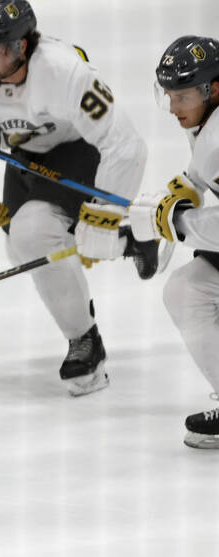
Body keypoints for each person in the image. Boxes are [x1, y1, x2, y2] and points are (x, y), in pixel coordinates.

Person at [0, 0, 146, 395]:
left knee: (34, 234)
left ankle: (86, 343)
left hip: (80, 150)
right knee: (22, 250)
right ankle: (134, 240)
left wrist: (102, 212)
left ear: (22, 46)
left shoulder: (63, 71)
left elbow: (126, 147)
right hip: (23, 157)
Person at [128, 36, 219, 449]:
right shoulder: (208, 120)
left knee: (189, 291)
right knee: (186, 289)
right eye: (167, 95)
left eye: (181, 96)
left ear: (212, 88)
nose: (172, 107)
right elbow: (202, 171)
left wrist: (177, 222)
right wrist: (181, 190)